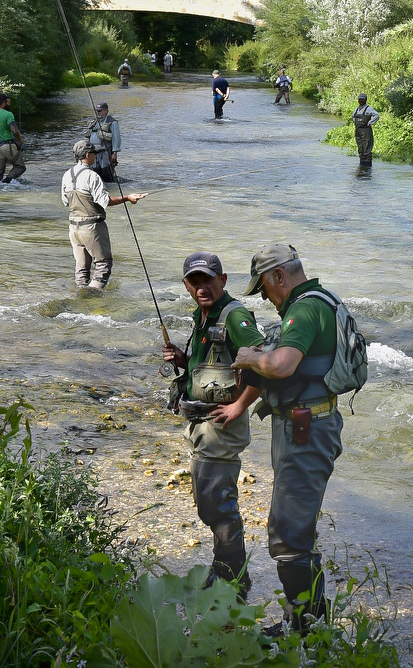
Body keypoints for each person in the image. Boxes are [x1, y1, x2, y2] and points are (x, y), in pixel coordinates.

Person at [231, 244, 343, 635]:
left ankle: (308, 631)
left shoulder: (307, 308)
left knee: (289, 536)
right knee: (294, 531)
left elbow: (282, 364)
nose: (264, 297)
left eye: (263, 287)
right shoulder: (317, 301)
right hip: (305, 428)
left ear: (279, 275)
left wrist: (247, 356)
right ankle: (305, 623)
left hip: (307, 433)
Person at [161, 251, 264, 602]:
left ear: (223, 281)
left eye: (208, 280)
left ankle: (234, 577)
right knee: (208, 503)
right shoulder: (204, 316)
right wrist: (183, 359)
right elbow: (214, 366)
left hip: (221, 425)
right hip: (201, 423)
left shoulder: (235, 316)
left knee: (216, 504)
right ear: (187, 285)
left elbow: (263, 365)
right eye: (195, 281)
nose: (202, 287)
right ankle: (227, 568)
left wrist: (239, 406)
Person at [60, 141, 147, 290]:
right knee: (103, 264)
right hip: (92, 227)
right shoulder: (92, 176)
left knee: (82, 268)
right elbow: (105, 202)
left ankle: (81, 296)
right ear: (87, 155)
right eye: (94, 153)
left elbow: (65, 202)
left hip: (73, 228)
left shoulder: (67, 175)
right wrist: (128, 198)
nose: (95, 156)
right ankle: (93, 296)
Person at [87, 102, 121, 183]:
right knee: (95, 174)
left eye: (100, 111)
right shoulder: (94, 122)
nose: (98, 112)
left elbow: (116, 138)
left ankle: (111, 189)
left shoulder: (112, 122)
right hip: (94, 153)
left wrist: (114, 153)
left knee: (106, 173)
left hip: (105, 152)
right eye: (97, 111)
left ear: (106, 111)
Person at [351, 94, 380, 168]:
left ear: (366, 100)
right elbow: (353, 116)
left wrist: (370, 123)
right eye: (359, 100)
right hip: (358, 131)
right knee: (360, 148)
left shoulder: (369, 109)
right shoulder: (356, 109)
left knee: (367, 148)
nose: (361, 101)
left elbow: (377, 115)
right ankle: (361, 167)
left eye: (362, 100)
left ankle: (367, 169)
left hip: (366, 130)